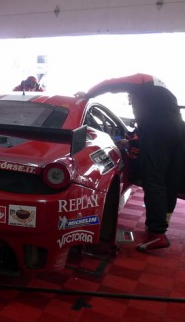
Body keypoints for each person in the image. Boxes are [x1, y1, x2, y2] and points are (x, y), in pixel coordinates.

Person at [78, 73, 185, 251]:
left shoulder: (142, 79)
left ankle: (157, 233)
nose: (131, 103)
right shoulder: (160, 89)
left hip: (159, 130)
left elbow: (111, 82)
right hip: (179, 128)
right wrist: (136, 140)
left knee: (154, 179)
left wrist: (88, 95)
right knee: (170, 180)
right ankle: (160, 226)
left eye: (130, 99)